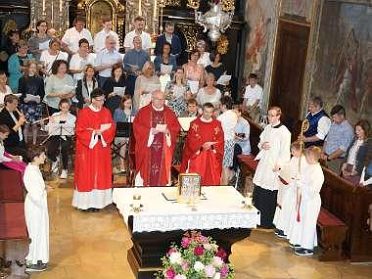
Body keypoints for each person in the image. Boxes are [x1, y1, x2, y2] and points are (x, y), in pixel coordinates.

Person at [73, 88, 115, 211]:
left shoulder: (106, 112)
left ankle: (99, 203)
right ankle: (85, 204)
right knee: (87, 174)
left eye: (103, 100)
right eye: (99, 100)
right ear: (92, 100)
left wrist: (103, 132)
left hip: (102, 148)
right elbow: (80, 131)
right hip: (88, 149)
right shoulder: (84, 113)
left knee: (100, 174)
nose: (102, 102)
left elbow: (112, 127)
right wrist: (93, 133)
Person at [252, 106, 291, 229]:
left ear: (279, 116)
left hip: (274, 166)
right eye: (269, 115)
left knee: (269, 193)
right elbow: (260, 142)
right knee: (259, 190)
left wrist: (279, 165)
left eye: (273, 115)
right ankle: (256, 218)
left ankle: (266, 221)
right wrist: (262, 145)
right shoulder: (268, 128)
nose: (270, 118)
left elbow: (285, 152)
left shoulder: (284, 132)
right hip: (264, 163)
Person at [133, 90, 181, 186]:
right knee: (146, 172)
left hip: (164, 151)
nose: (160, 101)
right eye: (158, 99)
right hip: (147, 149)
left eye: (162, 99)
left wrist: (168, 132)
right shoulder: (143, 112)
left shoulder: (169, 112)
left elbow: (176, 128)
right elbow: (137, 127)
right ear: (152, 99)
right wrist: (150, 131)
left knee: (162, 173)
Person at [289, 146, 324, 256]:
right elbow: (302, 178)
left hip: (311, 201)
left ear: (312, 156)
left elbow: (314, 189)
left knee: (309, 223)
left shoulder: (318, 172)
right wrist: (297, 180)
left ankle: (308, 248)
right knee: (302, 221)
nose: (305, 157)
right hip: (304, 199)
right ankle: (300, 242)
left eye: (307, 155)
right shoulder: (309, 167)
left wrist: (302, 185)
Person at [181, 102, 224, 186]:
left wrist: (212, 145)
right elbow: (191, 140)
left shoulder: (217, 124)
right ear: (202, 111)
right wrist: (201, 146)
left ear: (213, 112)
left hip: (212, 156)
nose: (208, 114)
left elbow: (221, 140)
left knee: (211, 177)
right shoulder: (194, 123)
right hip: (198, 156)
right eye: (206, 112)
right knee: (197, 177)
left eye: (210, 112)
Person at [23, 146, 49, 271]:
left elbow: (38, 187)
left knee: (39, 232)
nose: (45, 157)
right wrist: (44, 190)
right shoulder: (31, 172)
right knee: (35, 232)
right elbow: (35, 193)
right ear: (35, 157)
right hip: (35, 207)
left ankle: (38, 257)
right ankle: (32, 260)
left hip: (38, 206)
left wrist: (44, 188)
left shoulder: (34, 168)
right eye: (43, 155)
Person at [273, 141, 305, 238]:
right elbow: (287, 167)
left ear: (300, 150)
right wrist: (281, 169)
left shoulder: (303, 161)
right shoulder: (294, 159)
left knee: (287, 208)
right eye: (291, 151)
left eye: (293, 151)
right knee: (281, 205)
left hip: (293, 188)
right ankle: (279, 226)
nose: (292, 153)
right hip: (286, 186)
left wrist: (291, 178)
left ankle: (285, 229)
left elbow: (299, 175)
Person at [46, 99, 76, 179]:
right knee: (50, 152)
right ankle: (55, 160)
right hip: (55, 136)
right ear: (60, 107)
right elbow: (48, 128)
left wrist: (57, 123)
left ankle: (65, 169)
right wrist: (50, 122)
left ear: (69, 107)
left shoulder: (72, 117)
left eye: (67, 107)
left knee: (64, 148)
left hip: (67, 137)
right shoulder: (55, 115)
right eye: (63, 107)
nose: (65, 109)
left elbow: (71, 128)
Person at [18, 60, 45, 145]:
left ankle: (34, 143)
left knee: (34, 125)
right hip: (25, 105)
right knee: (25, 125)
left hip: (36, 105)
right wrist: (23, 99)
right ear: (28, 68)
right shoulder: (22, 79)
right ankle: (25, 142)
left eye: (34, 67)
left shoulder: (40, 79)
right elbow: (20, 93)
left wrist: (38, 99)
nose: (33, 69)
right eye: (31, 67)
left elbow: (42, 93)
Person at [321, 105, 354, 173]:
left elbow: (342, 149)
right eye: (333, 117)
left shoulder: (348, 130)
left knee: (331, 181)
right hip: (325, 156)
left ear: (342, 116)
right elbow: (327, 139)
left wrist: (329, 158)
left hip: (335, 160)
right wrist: (322, 152)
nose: (333, 119)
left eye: (335, 117)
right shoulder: (334, 124)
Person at [341, 120, 370, 185]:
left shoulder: (369, 143)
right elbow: (348, 153)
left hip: (357, 171)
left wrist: (357, 171)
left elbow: (367, 160)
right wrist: (344, 164)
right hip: (347, 166)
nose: (356, 132)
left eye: (359, 130)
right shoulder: (355, 139)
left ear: (365, 130)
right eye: (356, 129)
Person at [217, 96, 238, 185]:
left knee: (222, 167)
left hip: (223, 142)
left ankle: (223, 185)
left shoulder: (221, 117)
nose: (219, 106)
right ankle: (224, 186)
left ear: (224, 106)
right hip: (230, 142)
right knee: (226, 166)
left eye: (220, 105)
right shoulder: (234, 114)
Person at [0, 94, 27, 159]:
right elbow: (7, 133)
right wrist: (19, 123)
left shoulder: (15, 112)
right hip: (11, 144)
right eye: (14, 104)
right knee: (25, 156)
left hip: (20, 140)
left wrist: (22, 122)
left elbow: (20, 128)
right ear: (8, 103)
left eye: (17, 104)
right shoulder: (2, 116)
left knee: (25, 157)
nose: (16, 106)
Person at [113, 95, 135, 172]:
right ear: (123, 103)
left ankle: (133, 165)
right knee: (124, 141)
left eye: (130, 103)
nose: (129, 105)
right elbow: (115, 124)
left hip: (131, 133)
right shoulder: (118, 111)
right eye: (127, 103)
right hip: (120, 133)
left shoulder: (134, 111)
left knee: (135, 141)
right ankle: (122, 164)